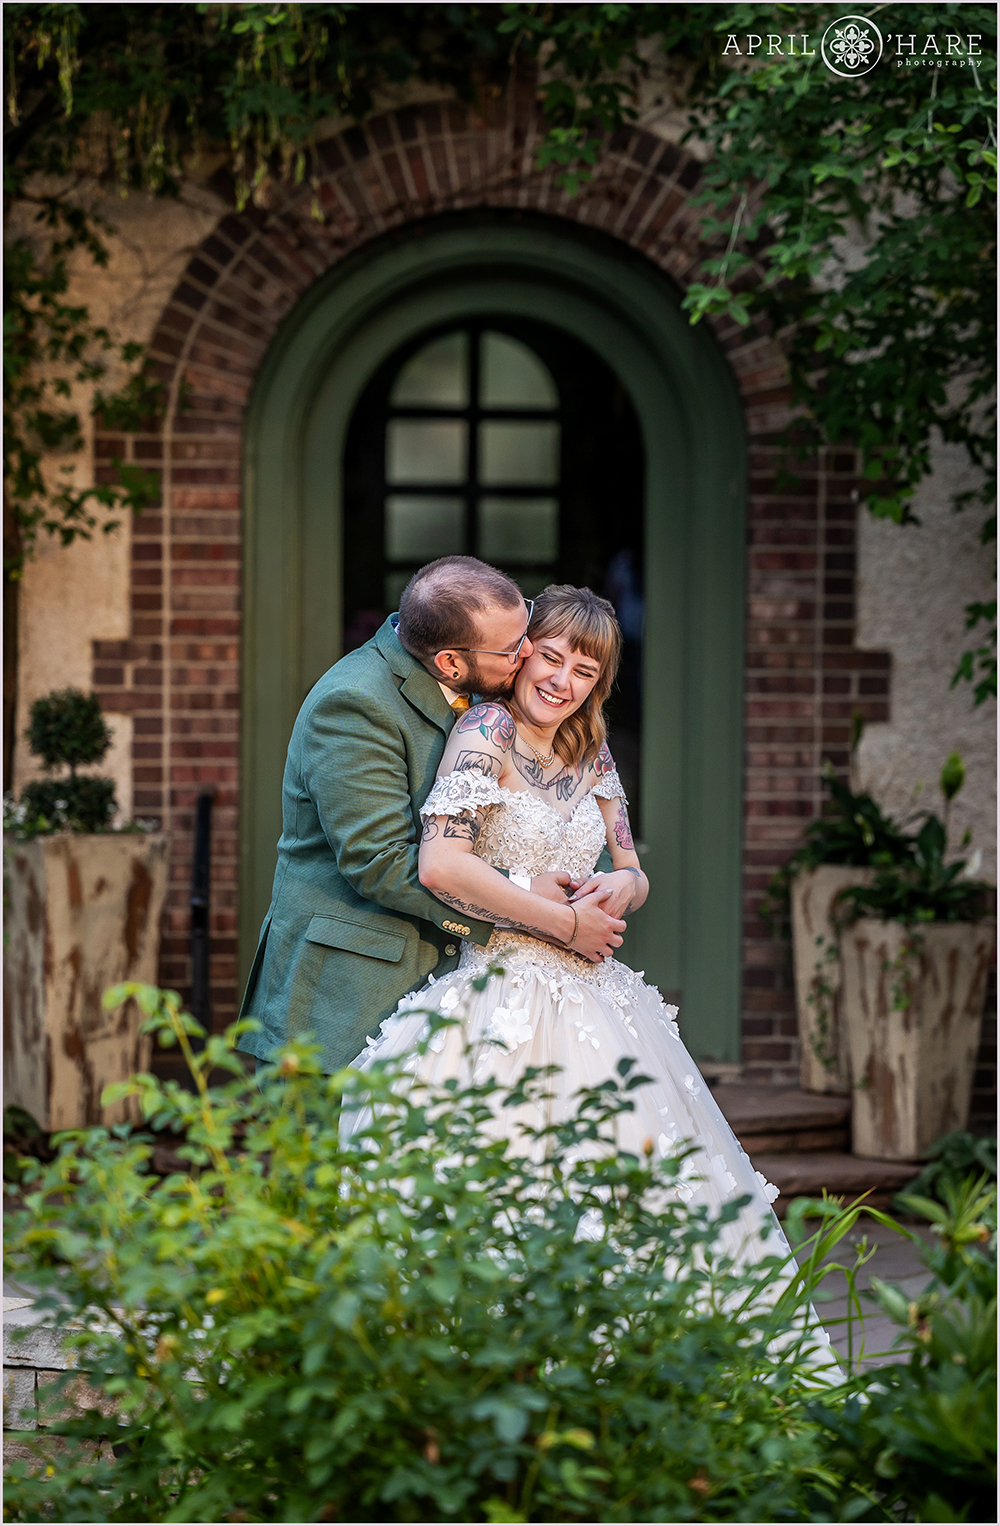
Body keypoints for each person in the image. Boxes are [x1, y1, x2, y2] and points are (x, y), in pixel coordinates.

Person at [344, 585, 826, 1302]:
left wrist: (618, 891)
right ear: (523, 651)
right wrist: (555, 914)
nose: (563, 681)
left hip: (602, 1002)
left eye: (586, 671)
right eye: (553, 656)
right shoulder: (485, 732)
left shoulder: (594, 754)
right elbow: (441, 864)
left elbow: (632, 868)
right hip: (501, 996)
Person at [237, 558, 626, 1074]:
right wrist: (546, 912)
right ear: (450, 663)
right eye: (515, 649)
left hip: (460, 1004)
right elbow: (379, 862)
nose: (528, 652)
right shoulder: (354, 703)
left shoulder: (494, 702)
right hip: (349, 1000)